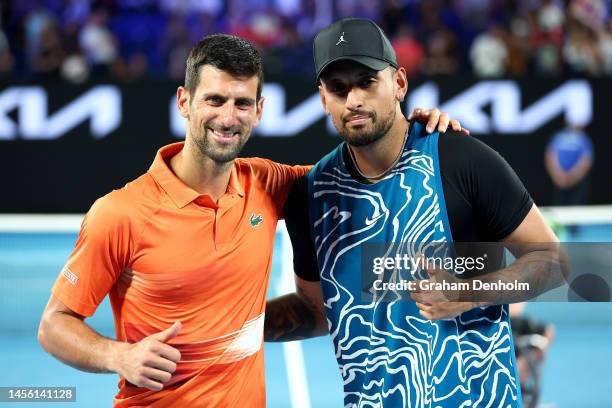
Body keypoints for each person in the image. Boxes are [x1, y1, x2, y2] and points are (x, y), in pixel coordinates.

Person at [37, 33, 462, 407]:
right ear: (185, 102)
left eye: (242, 103)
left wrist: (414, 133)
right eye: (215, 100)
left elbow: (360, 169)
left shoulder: (267, 183)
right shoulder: (120, 214)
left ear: (259, 111)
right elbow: (54, 325)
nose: (228, 117)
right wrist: (119, 356)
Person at [266, 18, 566, 407]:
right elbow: (318, 312)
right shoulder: (313, 194)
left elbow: (554, 260)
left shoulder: (460, 159)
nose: (353, 99)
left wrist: (468, 292)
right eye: (338, 88)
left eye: (366, 81)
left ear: (399, 84)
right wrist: (223, 317)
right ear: (323, 99)